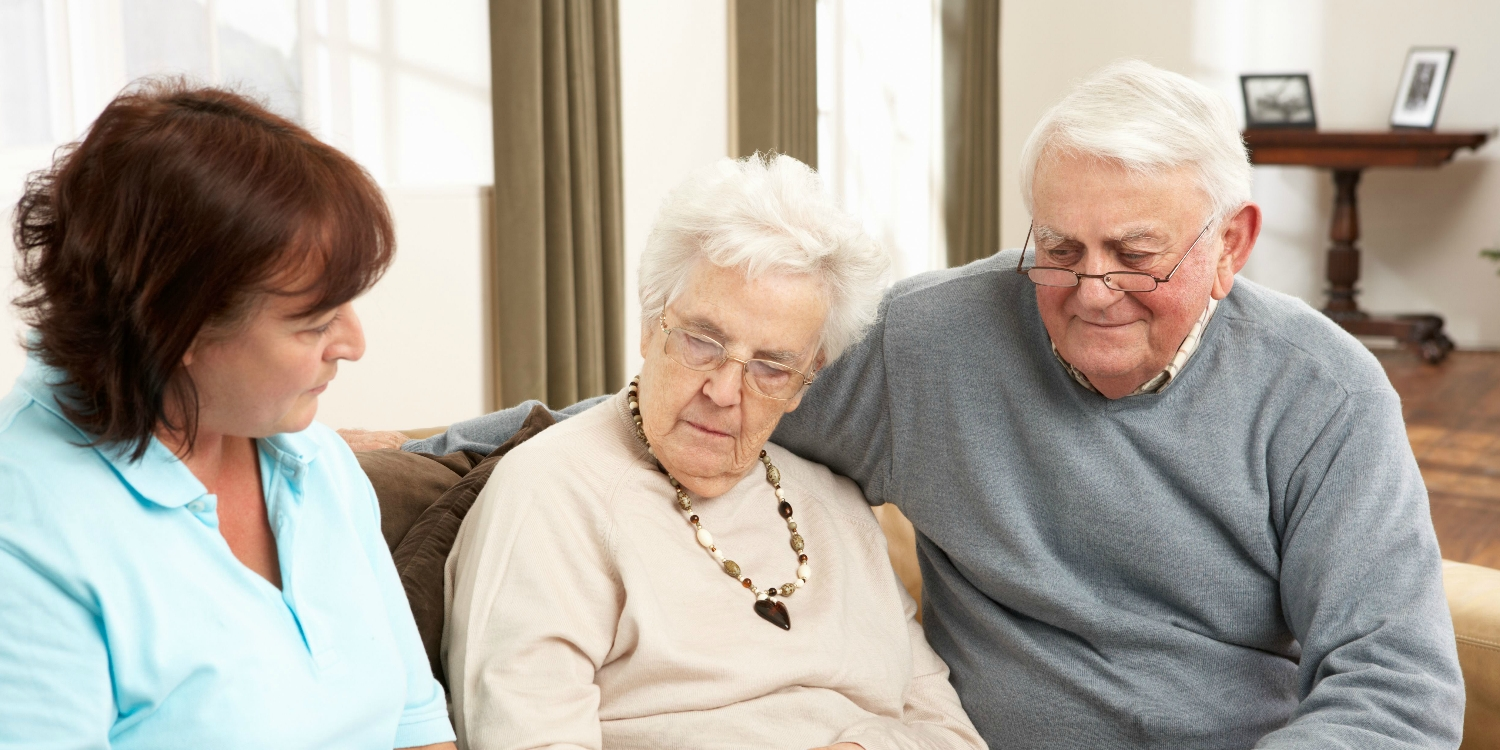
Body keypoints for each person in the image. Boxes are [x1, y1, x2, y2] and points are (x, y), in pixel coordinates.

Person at [391, 60, 1466, 748]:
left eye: (1137, 257)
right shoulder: (935, 339)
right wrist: (447, 444)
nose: (1092, 292)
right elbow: (716, 388)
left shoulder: (1321, 391)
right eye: (1059, 249)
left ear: (1229, 243)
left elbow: (1395, 690)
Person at [443, 154, 986, 750]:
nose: (725, 392)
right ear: (651, 326)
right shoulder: (549, 496)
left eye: (772, 367)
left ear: (809, 379)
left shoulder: (838, 506)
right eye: (703, 343)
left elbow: (950, 732)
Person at [0, 82, 456, 749]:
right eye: (315, 323)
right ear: (178, 328)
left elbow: (416, 728)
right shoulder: (27, 532)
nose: (355, 345)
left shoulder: (315, 463)